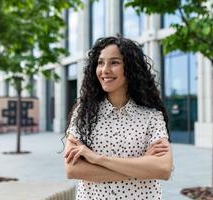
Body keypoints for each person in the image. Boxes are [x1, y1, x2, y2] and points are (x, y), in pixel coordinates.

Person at [64, 36, 173, 200]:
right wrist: (142, 164)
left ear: (130, 68)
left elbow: (163, 169)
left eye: (114, 62)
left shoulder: (152, 116)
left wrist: (98, 159)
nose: (105, 70)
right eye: (100, 63)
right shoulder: (83, 113)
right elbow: (73, 170)